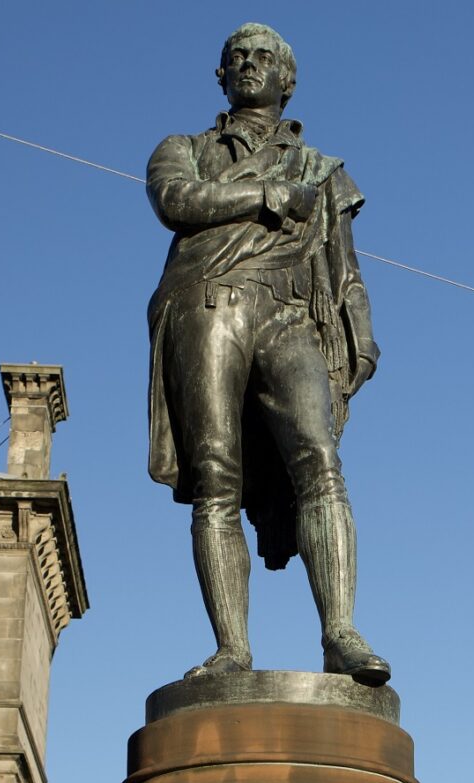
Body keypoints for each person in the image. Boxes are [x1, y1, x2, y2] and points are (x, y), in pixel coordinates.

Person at [145, 23, 389, 686]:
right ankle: (231, 649)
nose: (249, 65)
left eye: (264, 58)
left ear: (288, 80)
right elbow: (175, 201)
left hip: (287, 313)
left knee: (320, 458)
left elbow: (346, 270)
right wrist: (260, 193)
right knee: (217, 474)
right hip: (209, 303)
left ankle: (340, 632)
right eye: (236, 59)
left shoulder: (322, 170)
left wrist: (360, 338)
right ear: (220, 77)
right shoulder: (184, 148)